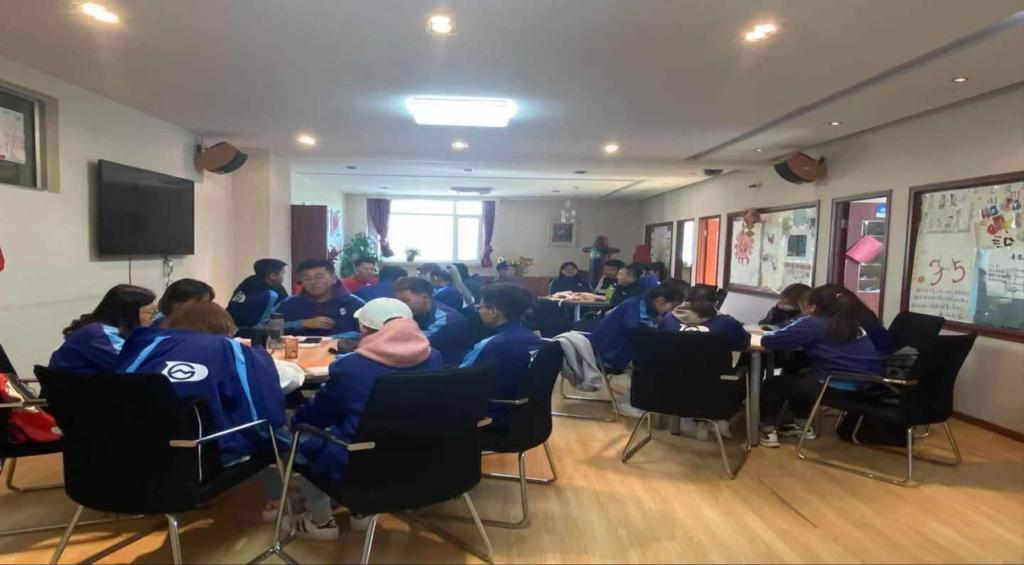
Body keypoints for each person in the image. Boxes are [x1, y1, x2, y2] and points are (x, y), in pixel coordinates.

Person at [283, 298, 443, 539]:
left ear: (365, 330)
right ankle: (361, 512)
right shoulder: (434, 357)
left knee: (300, 434)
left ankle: (321, 522)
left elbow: (319, 415)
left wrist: (296, 418)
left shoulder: (351, 366)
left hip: (360, 459)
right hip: (420, 453)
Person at [115, 302, 286, 465]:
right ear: (225, 326)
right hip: (202, 454)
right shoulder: (228, 347)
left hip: (127, 450)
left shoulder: (145, 344)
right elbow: (265, 409)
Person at [757, 285, 884, 447]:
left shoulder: (814, 323)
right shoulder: (853, 325)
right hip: (868, 388)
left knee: (773, 384)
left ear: (813, 306)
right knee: (804, 376)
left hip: (833, 386)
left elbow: (770, 341)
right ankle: (802, 425)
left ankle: (768, 430)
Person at [459, 284, 544, 428]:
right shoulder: (535, 340)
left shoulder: (491, 345)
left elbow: (460, 381)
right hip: (529, 415)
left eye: (480, 307)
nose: (479, 312)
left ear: (493, 311)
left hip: (492, 417)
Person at [50, 284, 158, 373]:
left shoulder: (102, 329)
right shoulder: (100, 334)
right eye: (151, 313)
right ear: (129, 313)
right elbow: (137, 366)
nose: (155, 318)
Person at [589, 285, 686, 374]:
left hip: (618, 353)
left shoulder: (648, 308)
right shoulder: (635, 305)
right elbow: (636, 331)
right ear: (661, 300)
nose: (671, 311)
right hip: (608, 355)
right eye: (672, 306)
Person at [393, 276, 473, 365]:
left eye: (405, 301)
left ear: (425, 297)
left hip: (447, 369)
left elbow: (413, 345)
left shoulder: (447, 319)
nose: (400, 305)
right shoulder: (414, 313)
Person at [274, 259, 365, 337]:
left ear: (334, 279)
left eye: (319, 277)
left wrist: (333, 339)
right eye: (306, 278)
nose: (313, 282)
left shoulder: (354, 304)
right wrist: (301, 323)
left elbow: (369, 334)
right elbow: (268, 328)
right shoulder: (290, 303)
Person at [660, 299, 750, 351]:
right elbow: (744, 343)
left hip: (671, 374)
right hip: (714, 375)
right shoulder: (727, 322)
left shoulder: (668, 318)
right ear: (715, 303)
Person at [227, 258, 290, 333]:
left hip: (265, 329)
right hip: (244, 328)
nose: (284, 276)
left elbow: (286, 305)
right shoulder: (250, 285)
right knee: (271, 295)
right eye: (283, 273)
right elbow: (234, 307)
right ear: (273, 276)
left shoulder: (278, 287)